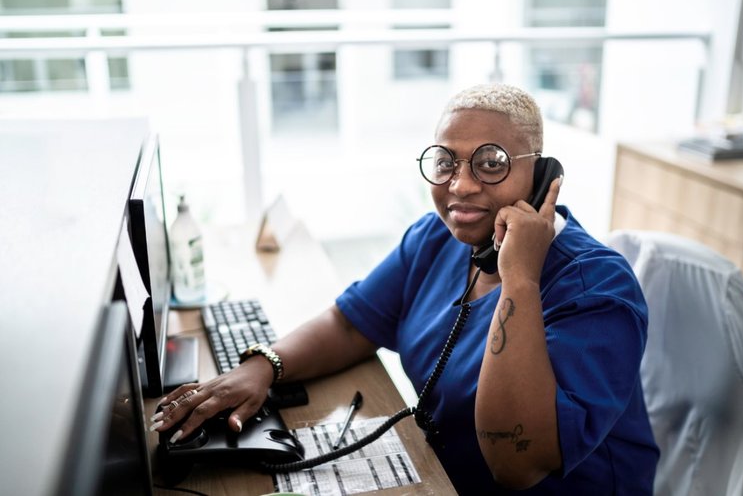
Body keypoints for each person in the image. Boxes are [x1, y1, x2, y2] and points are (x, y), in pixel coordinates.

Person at [154, 83, 659, 494]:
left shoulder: (597, 288)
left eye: (491, 162)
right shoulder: (437, 237)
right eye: (445, 161)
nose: (460, 185)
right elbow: (351, 323)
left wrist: (520, 280)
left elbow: (515, 465)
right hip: (439, 474)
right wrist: (262, 367)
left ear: (542, 174)